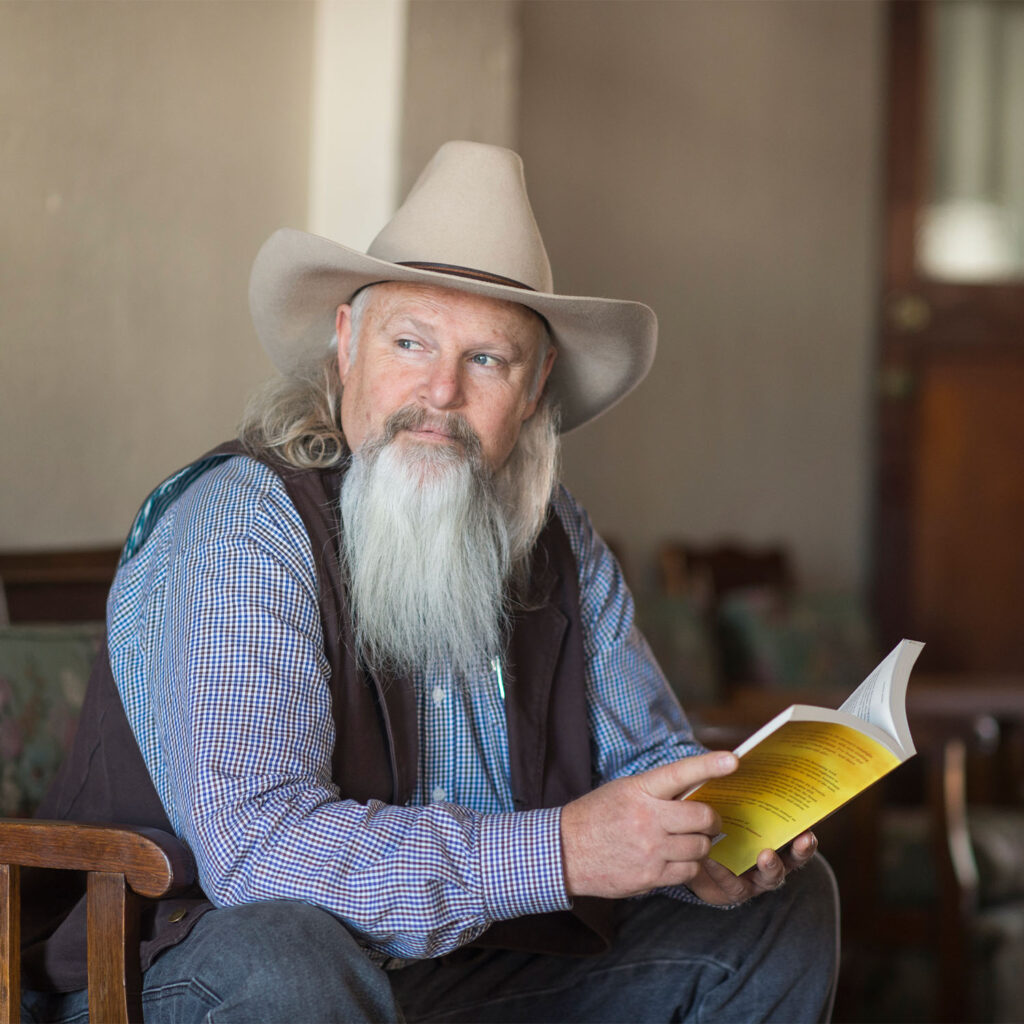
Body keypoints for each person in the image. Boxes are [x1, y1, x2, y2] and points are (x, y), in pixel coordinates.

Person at [21, 141, 838, 1023]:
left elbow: (647, 766)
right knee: (288, 958)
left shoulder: (556, 535)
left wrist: (707, 843)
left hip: (460, 972)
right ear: (346, 346)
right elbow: (257, 849)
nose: (440, 390)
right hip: (195, 968)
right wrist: (560, 852)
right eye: (410, 342)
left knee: (785, 909)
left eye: (489, 361)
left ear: (535, 390)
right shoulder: (245, 521)